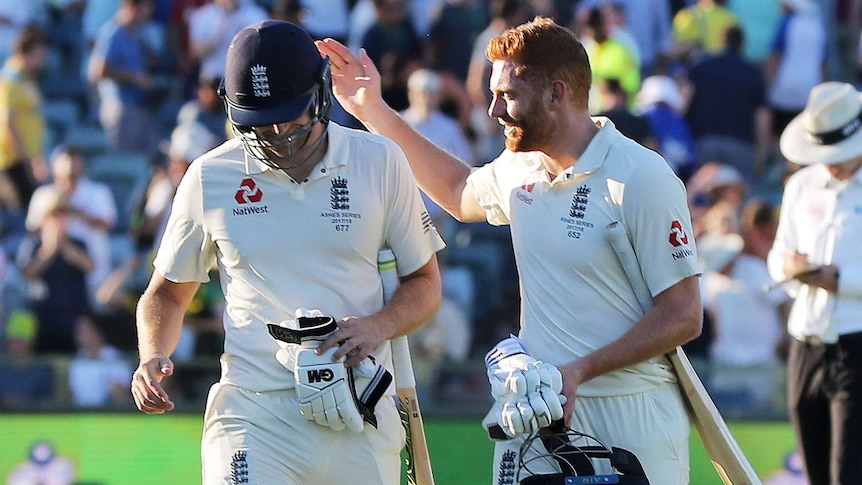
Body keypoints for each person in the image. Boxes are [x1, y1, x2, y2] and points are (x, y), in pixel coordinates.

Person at [317, 16, 703, 484]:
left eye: (508, 95)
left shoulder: (642, 177)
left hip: (633, 418)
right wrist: (370, 108)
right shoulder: (518, 166)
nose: (493, 110)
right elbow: (458, 192)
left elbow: (684, 315)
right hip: (542, 413)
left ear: (557, 94)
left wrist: (579, 371)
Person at [130, 20, 444, 484]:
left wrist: (378, 326)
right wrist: (152, 352)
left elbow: (425, 283)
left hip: (357, 408)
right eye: (261, 124)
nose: (278, 134)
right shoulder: (209, 176)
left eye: (291, 119)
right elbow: (167, 294)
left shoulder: (380, 161)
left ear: (322, 94)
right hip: (253, 412)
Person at [766, 81, 862, 485]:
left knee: (848, 471)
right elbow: (776, 256)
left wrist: (839, 280)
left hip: (856, 343)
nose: (830, 163)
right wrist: (789, 266)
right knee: (816, 470)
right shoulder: (802, 184)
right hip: (805, 342)